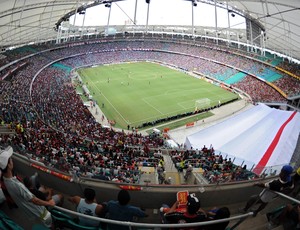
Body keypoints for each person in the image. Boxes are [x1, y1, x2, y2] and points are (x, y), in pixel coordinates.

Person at [0, 146, 55, 228]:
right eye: (10, 159)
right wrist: (49, 203)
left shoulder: (5, 179)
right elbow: (35, 200)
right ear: (8, 165)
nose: (12, 160)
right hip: (40, 213)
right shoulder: (18, 185)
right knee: (50, 225)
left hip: (30, 213)